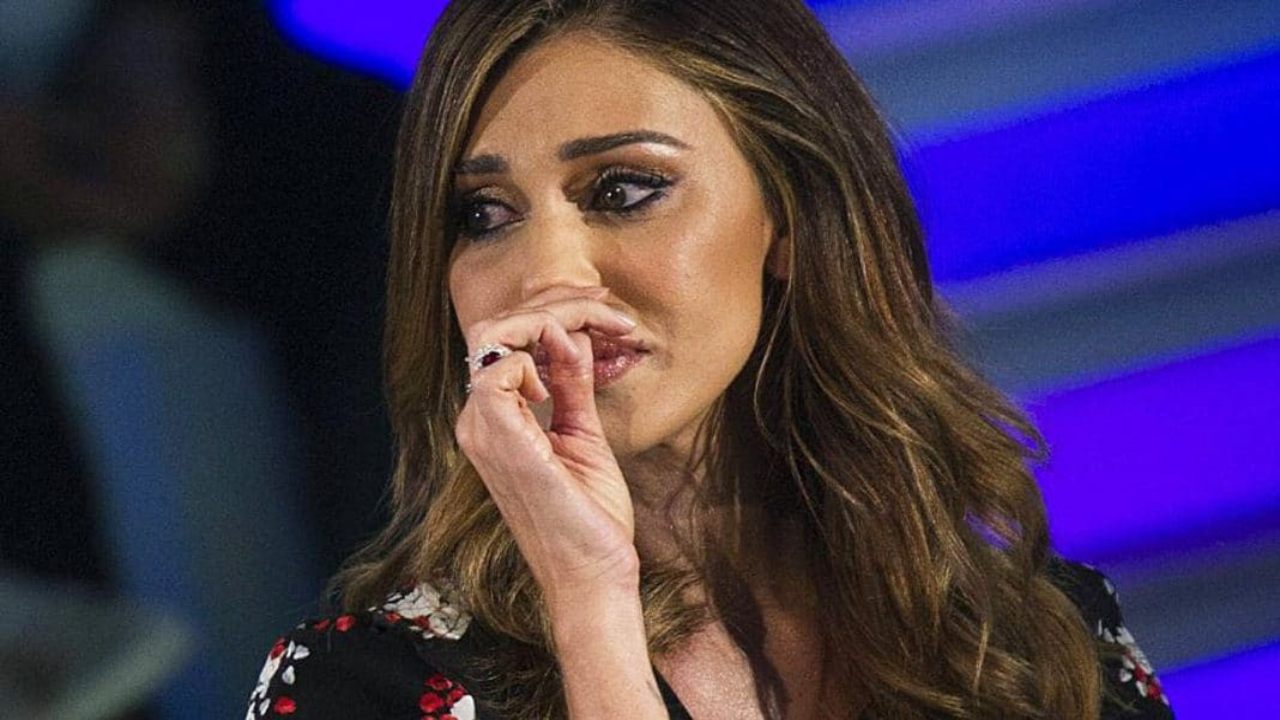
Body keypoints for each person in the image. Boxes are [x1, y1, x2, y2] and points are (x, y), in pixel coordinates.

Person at [246, 1, 1175, 718]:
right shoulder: (360, 690)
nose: (549, 275)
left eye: (623, 190)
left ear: (792, 216)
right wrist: (591, 605)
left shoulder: (1037, 643)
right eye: (483, 214)